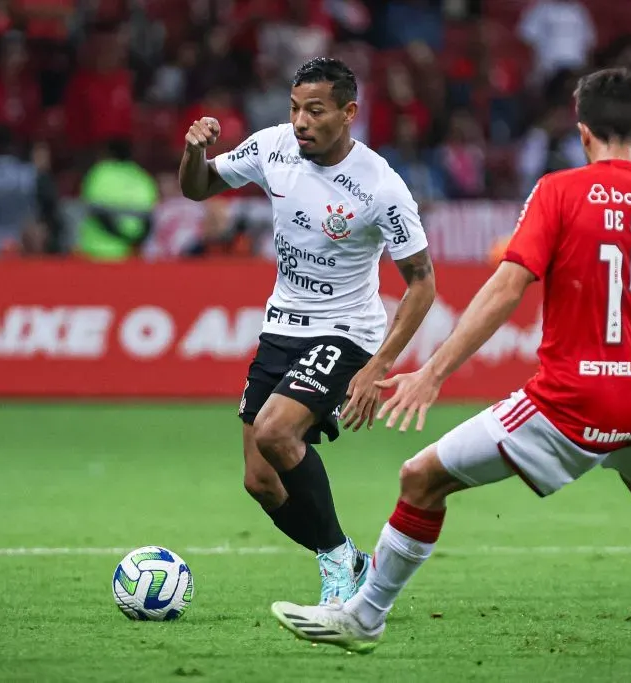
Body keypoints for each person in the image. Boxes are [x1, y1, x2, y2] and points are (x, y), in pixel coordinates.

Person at [270, 68, 631, 655]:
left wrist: (433, 372)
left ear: (583, 132)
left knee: (421, 478)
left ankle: (364, 617)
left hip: (571, 401)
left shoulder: (560, 191)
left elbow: (506, 288)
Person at [179, 57, 436, 605]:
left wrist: (377, 368)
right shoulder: (272, 148)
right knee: (260, 481)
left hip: (347, 332)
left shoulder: (381, 186)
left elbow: (421, 283)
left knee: (276, 432)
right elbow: (198, 188)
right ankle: (349, 556)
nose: (300, 122)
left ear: (349, 114)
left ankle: (337, 569)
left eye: (315, 111)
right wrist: (194, 151)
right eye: (295, 108)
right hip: (282, 325)